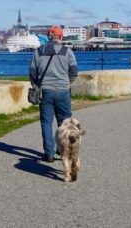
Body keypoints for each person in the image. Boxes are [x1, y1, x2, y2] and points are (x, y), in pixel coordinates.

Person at [29, 26, 78, 163]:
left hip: (46, 92)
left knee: (46, 122)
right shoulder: (67, 51)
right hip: (63, 91)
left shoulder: (38, 52)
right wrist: (67, 83)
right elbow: (74, 72)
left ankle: (49, 153)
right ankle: (63, 149)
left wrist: (36, 86)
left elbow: (32, 73)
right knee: (65, 122)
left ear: (48, 37)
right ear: (61, 37)